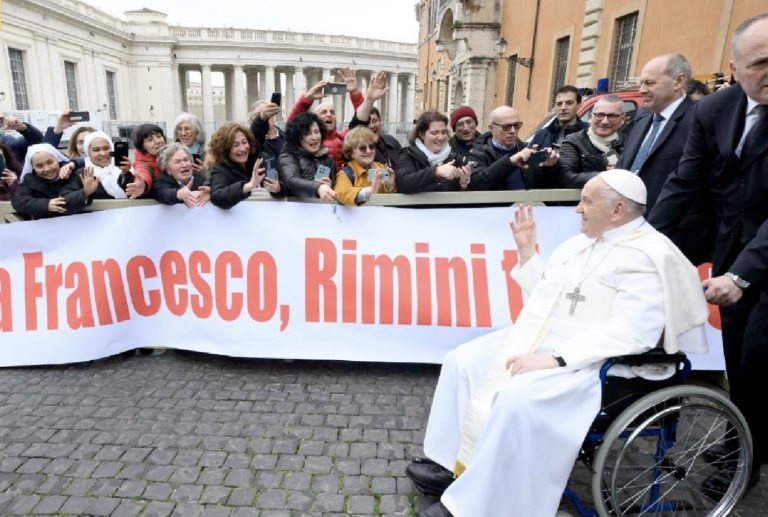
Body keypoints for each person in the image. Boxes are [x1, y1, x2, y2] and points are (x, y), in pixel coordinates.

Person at [408, 170, 709, 517]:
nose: (578, 209)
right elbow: (547, 299)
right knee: (464, 360)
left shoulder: (648, 255)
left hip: (606, 363)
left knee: (516, 398)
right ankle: (455, 466)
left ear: (618, 210)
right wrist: (526, 253)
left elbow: (634, 333)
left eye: (587, 201)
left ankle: (480, 505)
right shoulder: (583, 243)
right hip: (557, 342)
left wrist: (556, 358)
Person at [649, 12, 768, 491]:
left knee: (760, 356)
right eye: (761, 63)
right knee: (739, 358)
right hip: (731, 245)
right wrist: (642, 240)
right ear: (734, 67)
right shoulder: (713, 109)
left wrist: (741, 277)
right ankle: (743, 438)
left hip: (759, 257)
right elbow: (684, 181)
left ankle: (746, 453)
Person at [617, 54, 714, 265]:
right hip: (630, 232)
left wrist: (652, 233)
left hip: (675, 241)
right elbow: (626, 168)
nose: (642, 90)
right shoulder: (643, 120)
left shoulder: (699, 120)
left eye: (650, 83)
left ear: (679, 81)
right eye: (641, 83)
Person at [286, 67, 365, 170]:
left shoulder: (344, 137)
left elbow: (362, 123)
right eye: (323, 112)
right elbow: (291, 125)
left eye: (332, 112)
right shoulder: (309, 140)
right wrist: (307, 98)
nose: (329, 115)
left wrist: (355, 93)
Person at [468, 106, 558, 190]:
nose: (512, 131)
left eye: (516, 125)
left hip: (526, 205)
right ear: (492, 128)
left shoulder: (527, 151)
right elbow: (477, 184)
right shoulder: (477, 154)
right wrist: (509, 162)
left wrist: (549, 167)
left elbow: (543, 187)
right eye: (506, 127)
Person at [394, 111, 472, 193]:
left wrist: (464, 185)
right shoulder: (408, 156)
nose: (441, 138)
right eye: (435, 133)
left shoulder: (455, 158)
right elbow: (403, 184)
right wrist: (436, 172)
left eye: (443, 132)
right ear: (421, 134)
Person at [11, 144, 96, 219]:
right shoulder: (29, 180)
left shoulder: (72, 173)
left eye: (50, 162)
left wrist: (85, 192)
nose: (47, 169)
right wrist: (46, 204)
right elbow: (18, 201)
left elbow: (66, 201)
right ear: (33, 167)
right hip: (46, 229)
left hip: (78, 223)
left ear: (57, 159)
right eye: (39, 166)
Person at [558, 95, 625, 188]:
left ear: (622, 119)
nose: (605, 121)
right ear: (591, 117)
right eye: (600, 115)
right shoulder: (573, 142)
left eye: (612, 116)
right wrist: (606, 176)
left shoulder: (630, 144)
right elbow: (566, 178)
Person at [208, 123, 280, 209]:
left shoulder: (264, 160)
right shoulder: (219, 170)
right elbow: (218, 196)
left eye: (244, 142)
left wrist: (278, 188)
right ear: (225, 149)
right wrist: (249, 186)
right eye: (236, 145)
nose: (242, 148)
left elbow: (285, 184)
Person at [279, 112, 337, 201]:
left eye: (317, 132)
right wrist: (318, 187)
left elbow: (335, 189)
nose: (314, 137)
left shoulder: (327, 159)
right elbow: (292, 181)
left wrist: (330, 186)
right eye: (307, 133)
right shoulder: (288, 157)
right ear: (298, 137)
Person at [334, 126, 396, 205]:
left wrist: (390, 186)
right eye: (362, 148)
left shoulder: (382, 168)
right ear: (351, 153)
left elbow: (391, 202)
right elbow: (341, 193)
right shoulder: (346, 173)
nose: (369, 151)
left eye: (371, 146)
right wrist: (369, 191)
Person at [529, 85, 589, 150]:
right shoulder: (542, 135)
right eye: (559, 104)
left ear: (579, 105)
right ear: (554, 106)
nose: (563, 108)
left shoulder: (589, 133)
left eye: (569, 103)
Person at [77, 131, 133, 199]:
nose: (103, 153)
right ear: (88, 153)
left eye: (106, 148)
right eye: (96, 150)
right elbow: (65, 201)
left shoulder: (128, 169)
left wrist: (126, 174)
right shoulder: (81, 174)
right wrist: (85, 193)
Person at [153, 142, 210, 207]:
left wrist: (211, 193)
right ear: (167, 169)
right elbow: (163, 194)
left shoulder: (201, 178)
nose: (184, 165)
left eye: (186, 160)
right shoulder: (161, 181)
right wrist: (179, 194)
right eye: (177, 162)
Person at [130, 124, 167, 198]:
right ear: (142, 146)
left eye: (159, 136)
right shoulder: (142, 164)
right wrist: (142, 185)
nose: (157, 141)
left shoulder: (172, 155)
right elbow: (142, 174)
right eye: (150, 140)